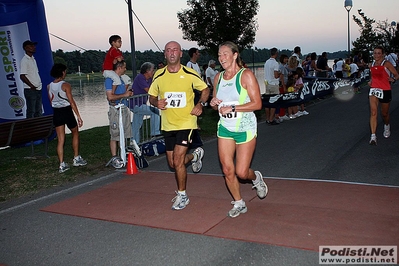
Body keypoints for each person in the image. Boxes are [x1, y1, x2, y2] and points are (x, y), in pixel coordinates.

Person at [148, 41, 210, 210]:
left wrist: (200, 105)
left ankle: (182, 195)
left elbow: (205, 90)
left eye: (175, 50)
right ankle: (195, 156)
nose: (172, 53)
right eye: (168, 50)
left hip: (186, 122)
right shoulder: (159, 75)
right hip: (168, 125)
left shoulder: (190, 73)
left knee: (177, 159)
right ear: (165, 55)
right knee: (174, 163)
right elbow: (151, 96)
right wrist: (156, 102)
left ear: (181, 53)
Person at [210, 41, 267, 218]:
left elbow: (257, 104)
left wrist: (234, 108)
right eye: (219, 55)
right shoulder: (218, 78)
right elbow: (216, 103)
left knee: (242, 172)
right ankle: (239, 202)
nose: (221, 58)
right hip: (225, 128)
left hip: (245, 128)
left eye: (225, 54)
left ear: (235, 55)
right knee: (228, 170)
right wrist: (213, 104)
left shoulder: (246, 75)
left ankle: (256, 177)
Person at [47, 63, 87, 173]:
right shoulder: (66, 85)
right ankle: (76, 158)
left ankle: (61, 164)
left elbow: (51, 102)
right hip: (66, 111)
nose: (65, 73)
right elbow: (71, 101)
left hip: (57, 112)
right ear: (62, 72)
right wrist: (78, 116)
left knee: (60, 139)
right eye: (65, 71)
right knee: (75, 133)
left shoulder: (49, 86)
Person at [368, 46, 399, 145]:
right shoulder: (371, 64)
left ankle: (386, 125)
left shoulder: (387, 64)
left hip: (385, 90)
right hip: (374, 89)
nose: (376, 55)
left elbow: (396, 75)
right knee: (373, 112)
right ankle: (373, 136)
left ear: (382, 54)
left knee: (384, 113)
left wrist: (393, 79)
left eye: (378, 53)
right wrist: (370, 81)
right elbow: (373, 76)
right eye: (375, 53)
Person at [105, 60, 133, 167]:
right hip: (116, 110)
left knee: (125, 132)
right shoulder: (110, 80)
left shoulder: (121, 79)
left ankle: (123, 154)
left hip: (124, 108)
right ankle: (114, 156)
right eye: (124, 67)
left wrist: (128, 93)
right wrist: (124, 95)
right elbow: (110, 97)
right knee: (115, 134)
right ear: (119, 67)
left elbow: (123, 94)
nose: (126, 69)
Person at [130, 62, 161, 143]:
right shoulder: (140, 77)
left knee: (136, 125)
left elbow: (154, 89)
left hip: (141, 104)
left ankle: (134, 143)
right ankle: (155, 133)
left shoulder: (149, 79)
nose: (153, 72)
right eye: (152, 70)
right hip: (136, 105)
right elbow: (149, 90)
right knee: (155, 111)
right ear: (147, 71)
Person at [20, 40, 42, 118]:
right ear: (26, 48)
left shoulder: (33, 59)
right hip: (30, 89)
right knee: (31, 110)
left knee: (38, 110)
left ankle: (38, 128)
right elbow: (22, 75)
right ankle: (30, 128)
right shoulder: (25, 60)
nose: (34, 47)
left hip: (38, 88)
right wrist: (31, 86)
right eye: (31, 46)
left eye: (34, 46)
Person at [264, 47, 280, 125]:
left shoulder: (266, 62)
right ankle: (271, 119)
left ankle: (267, 119)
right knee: (274, 102)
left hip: (267, 84)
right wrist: (280, 73)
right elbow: (276, 75)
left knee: (267, 102)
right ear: (276, 54)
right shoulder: (275, 63)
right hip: (274, 84)